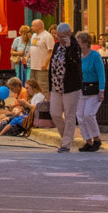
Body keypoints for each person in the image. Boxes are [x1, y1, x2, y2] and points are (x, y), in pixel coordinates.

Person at [47, 22, 84, 152]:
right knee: (55, 113)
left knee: (69, 115)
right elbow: (51, 67)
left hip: (70, 86)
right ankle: (66, 137)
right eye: (57, 36)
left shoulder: (75, 47)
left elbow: (74, 65)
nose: (59, 39)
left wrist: (68, 47)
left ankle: (66, 143)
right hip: (56, 85)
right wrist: (49, 87)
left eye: (62, 36)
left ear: (68, 35)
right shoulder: (57, 46)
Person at [76, 29, 105, 152]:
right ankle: (87, 140)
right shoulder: (78, 56)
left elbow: (101, 74)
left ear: (85, 43)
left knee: (89, 114)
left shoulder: (95, 56)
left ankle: (96, 138)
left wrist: (101, 90)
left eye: (79, 42)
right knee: (80, 115)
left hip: (94, 88)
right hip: (81, 89)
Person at [26, 18, 54, 93]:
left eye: (32, 26)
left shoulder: (47, 36)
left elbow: (51, 51)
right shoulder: (34, 35)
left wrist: (46, 63)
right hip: (33, 66)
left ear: (38, 26)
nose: (31, 27)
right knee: (32, 87)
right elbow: (32, 47)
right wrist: (27, 57)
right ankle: (34, 103)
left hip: (42, 67)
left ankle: (45, 103)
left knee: (42, 87)